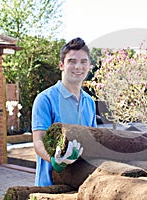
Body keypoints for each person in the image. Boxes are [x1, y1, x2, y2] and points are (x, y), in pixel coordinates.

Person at [32, 37, 97, 186]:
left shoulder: (89, 102)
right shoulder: (45, 99)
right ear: (61, 65)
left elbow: (93, 139)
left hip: (80, 185)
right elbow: (38, 141)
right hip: (50, 186)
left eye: (83, 62)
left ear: (90, 66)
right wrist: (54, 159)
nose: (78, 67)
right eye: (72, 61)